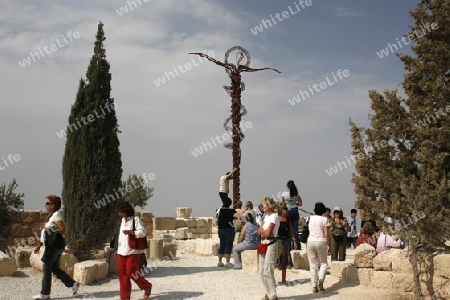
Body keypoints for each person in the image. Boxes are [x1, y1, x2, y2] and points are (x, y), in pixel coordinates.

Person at [33, 195, 80, 300]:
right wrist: (39, 245)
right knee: (54, 268)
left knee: (46, 268)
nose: (46, 205)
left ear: (53, 205)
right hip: (55, 245)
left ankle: (45, 294)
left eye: (48, 203)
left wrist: (49, 230)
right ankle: (73, 284)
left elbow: (62, 229)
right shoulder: (51, 216)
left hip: (54, 246)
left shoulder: (56, 215)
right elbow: (45, 234)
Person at [116, 202, 152, 300]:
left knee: (131, 272)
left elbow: (143, 232)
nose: (119, 214)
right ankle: (125, 297)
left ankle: (146, 286)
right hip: (121, 251)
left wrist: (132, 232)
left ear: (126, 211)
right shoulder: (122, 221)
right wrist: (116, 249)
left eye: (121, 212)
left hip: (133, 251)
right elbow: (120, 236)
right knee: (121, 274)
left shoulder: (136, 219)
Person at [257, 197, 280, 300]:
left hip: (271, 243)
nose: (263, 207)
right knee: (261, 270)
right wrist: (263, 232)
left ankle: (273, 295)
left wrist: (263, 231)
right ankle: (267, 292)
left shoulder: (274, 217)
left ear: (269, 206)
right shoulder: (266, 216)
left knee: (268, 270)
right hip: (263, 243)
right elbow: (260, 231)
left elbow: (267, 232)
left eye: (264, 205)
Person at [306, 202, 331, 294]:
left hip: (310, 241)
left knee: (313, 265)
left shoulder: (309, 218)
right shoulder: (325, 219)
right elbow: (326, 234)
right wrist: (330, 246)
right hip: (321, 241)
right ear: (324, 211)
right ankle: (321, 280)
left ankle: (314, 286)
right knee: (324, 263)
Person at [275, 203, 297, 285]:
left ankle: (283, 279)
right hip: (278, 240)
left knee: (285, 259)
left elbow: (291, 230)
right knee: (278, 258)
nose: (287, 211)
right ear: (282, 210)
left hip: (287, 240)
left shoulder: (288, 219)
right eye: (286, 210)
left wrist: (294, 240)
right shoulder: (276, 219)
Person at [278, 180, 303, 250]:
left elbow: (281, 203)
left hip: (287, 212)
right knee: (295, 230)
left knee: (288, 230)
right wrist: (295, 204)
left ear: (287, 186)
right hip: (295, 211)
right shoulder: (296, 194)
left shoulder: (284, 194)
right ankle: (297, 246)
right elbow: (301, 204)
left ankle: (289, 246)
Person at [215, 197, 239, 267]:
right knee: (228, 245)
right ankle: (227, 262)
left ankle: (219, 261)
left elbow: (215, 216)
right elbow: (237, 216)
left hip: (221, 229)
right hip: (229, 229)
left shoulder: (219, 210)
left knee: (222, 244)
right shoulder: (231, 211)